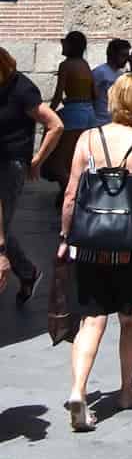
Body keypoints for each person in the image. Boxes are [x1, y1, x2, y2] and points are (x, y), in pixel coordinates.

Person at [58, 70, 132, 431]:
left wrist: (65, 237)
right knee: (131, 320)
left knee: (91, 320)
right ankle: (126, 391)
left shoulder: (87, 140)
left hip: (91, 245)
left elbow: (70, 195)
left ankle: (78, 391)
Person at [0, 45, 62, 307]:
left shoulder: (22, 89)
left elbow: (55, 125)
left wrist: (37, 160)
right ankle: (27, 272)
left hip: (10, 165)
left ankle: (22, 270)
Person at [44, 33, 97, 196]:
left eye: (64, 43)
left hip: (74, 114)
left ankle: (74, 195)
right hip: (89, 114)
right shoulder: (85, 64)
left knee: (57, 164)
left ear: (71, 45)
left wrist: (48, 115)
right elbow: (95, 94)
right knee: (73, 160)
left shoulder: (65, 65)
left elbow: (58, 95)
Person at [92, 39, 130, 123]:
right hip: (100, 121)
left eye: (127, 56)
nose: (126, 59)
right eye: (123, 55)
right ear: (113, 55)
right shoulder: (99, 72)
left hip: (116, 122)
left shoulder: (121, 74)